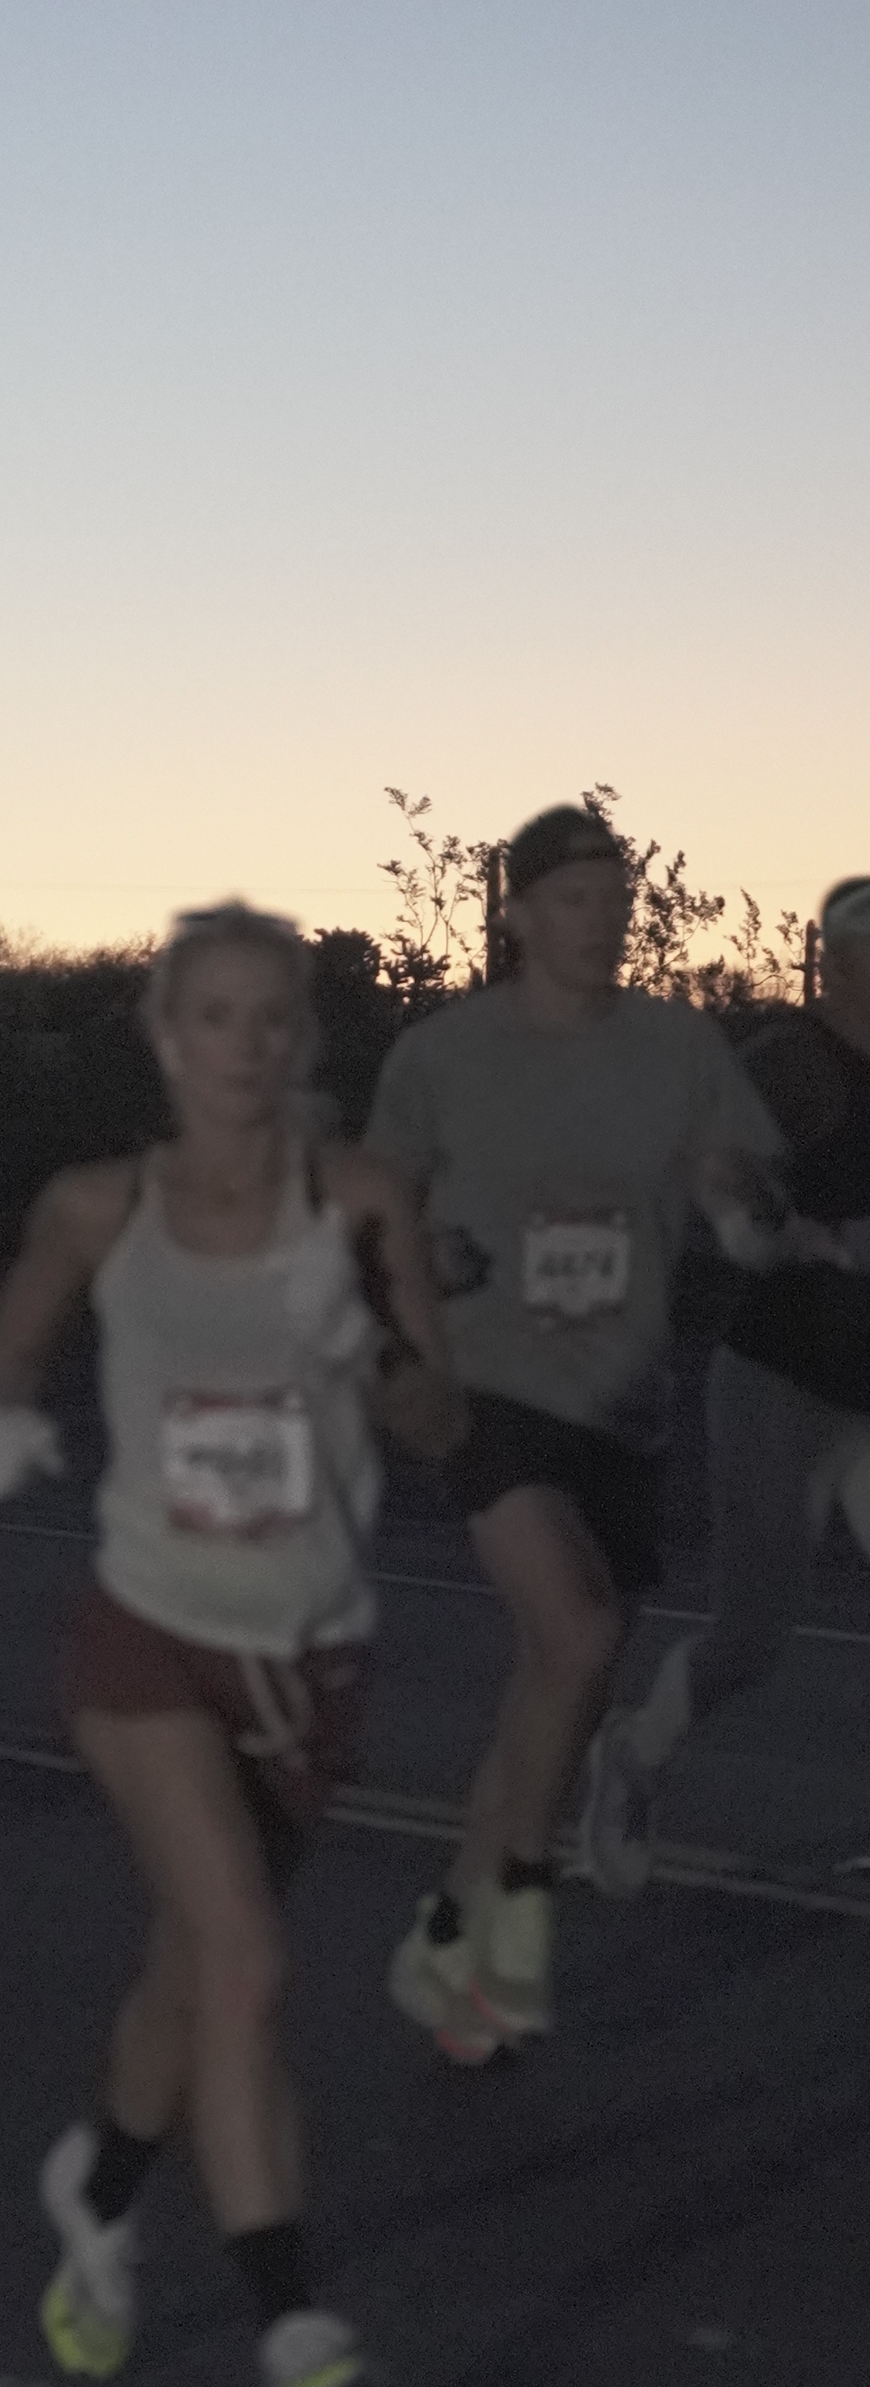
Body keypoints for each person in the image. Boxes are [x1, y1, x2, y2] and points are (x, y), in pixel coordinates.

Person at [0, 904, 463, 2387]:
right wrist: (5, 1421)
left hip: (305, 1658)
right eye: (213, 1016)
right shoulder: (97, 1208)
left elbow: (442, 1426)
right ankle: (291, 2319)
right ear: (164, 1036)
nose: (243, 1047)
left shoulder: (360, 1201)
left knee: (193, 1977)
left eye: (270, 1019)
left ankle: (102, 2191)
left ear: (300, 1038)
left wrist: (363, 1342)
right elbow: (8, 1346)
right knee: (245, 1959)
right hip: (149, 1635)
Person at [363, 804, 783, 2062]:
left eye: (615, 897)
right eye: (573, 897)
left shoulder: (675, 1046)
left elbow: (734, 1184)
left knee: (556, 1683)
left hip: (621, 1400)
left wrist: (738, 1197)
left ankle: (449, 1929)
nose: (601, 919)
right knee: (579, 1627)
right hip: (490, 1387)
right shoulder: (442, 1057)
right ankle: (509, 1928)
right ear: (517, 913)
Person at [582, 874, 870, 1887]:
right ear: (834, 961)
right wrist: (763, 1230)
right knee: (750, 1640)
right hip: (779, 1383)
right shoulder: (795, 1062)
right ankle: (634, 1753)